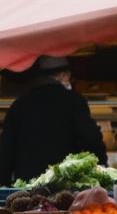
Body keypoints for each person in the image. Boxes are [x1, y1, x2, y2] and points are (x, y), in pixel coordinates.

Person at [0, 56, 107, 185]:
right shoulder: (73, 100)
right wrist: (102, 165)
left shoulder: (19, 104)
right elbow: (90, 137)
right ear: (63, 75)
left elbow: (5, 150)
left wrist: (4, 185)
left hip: (28, 185)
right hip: (65, 183)